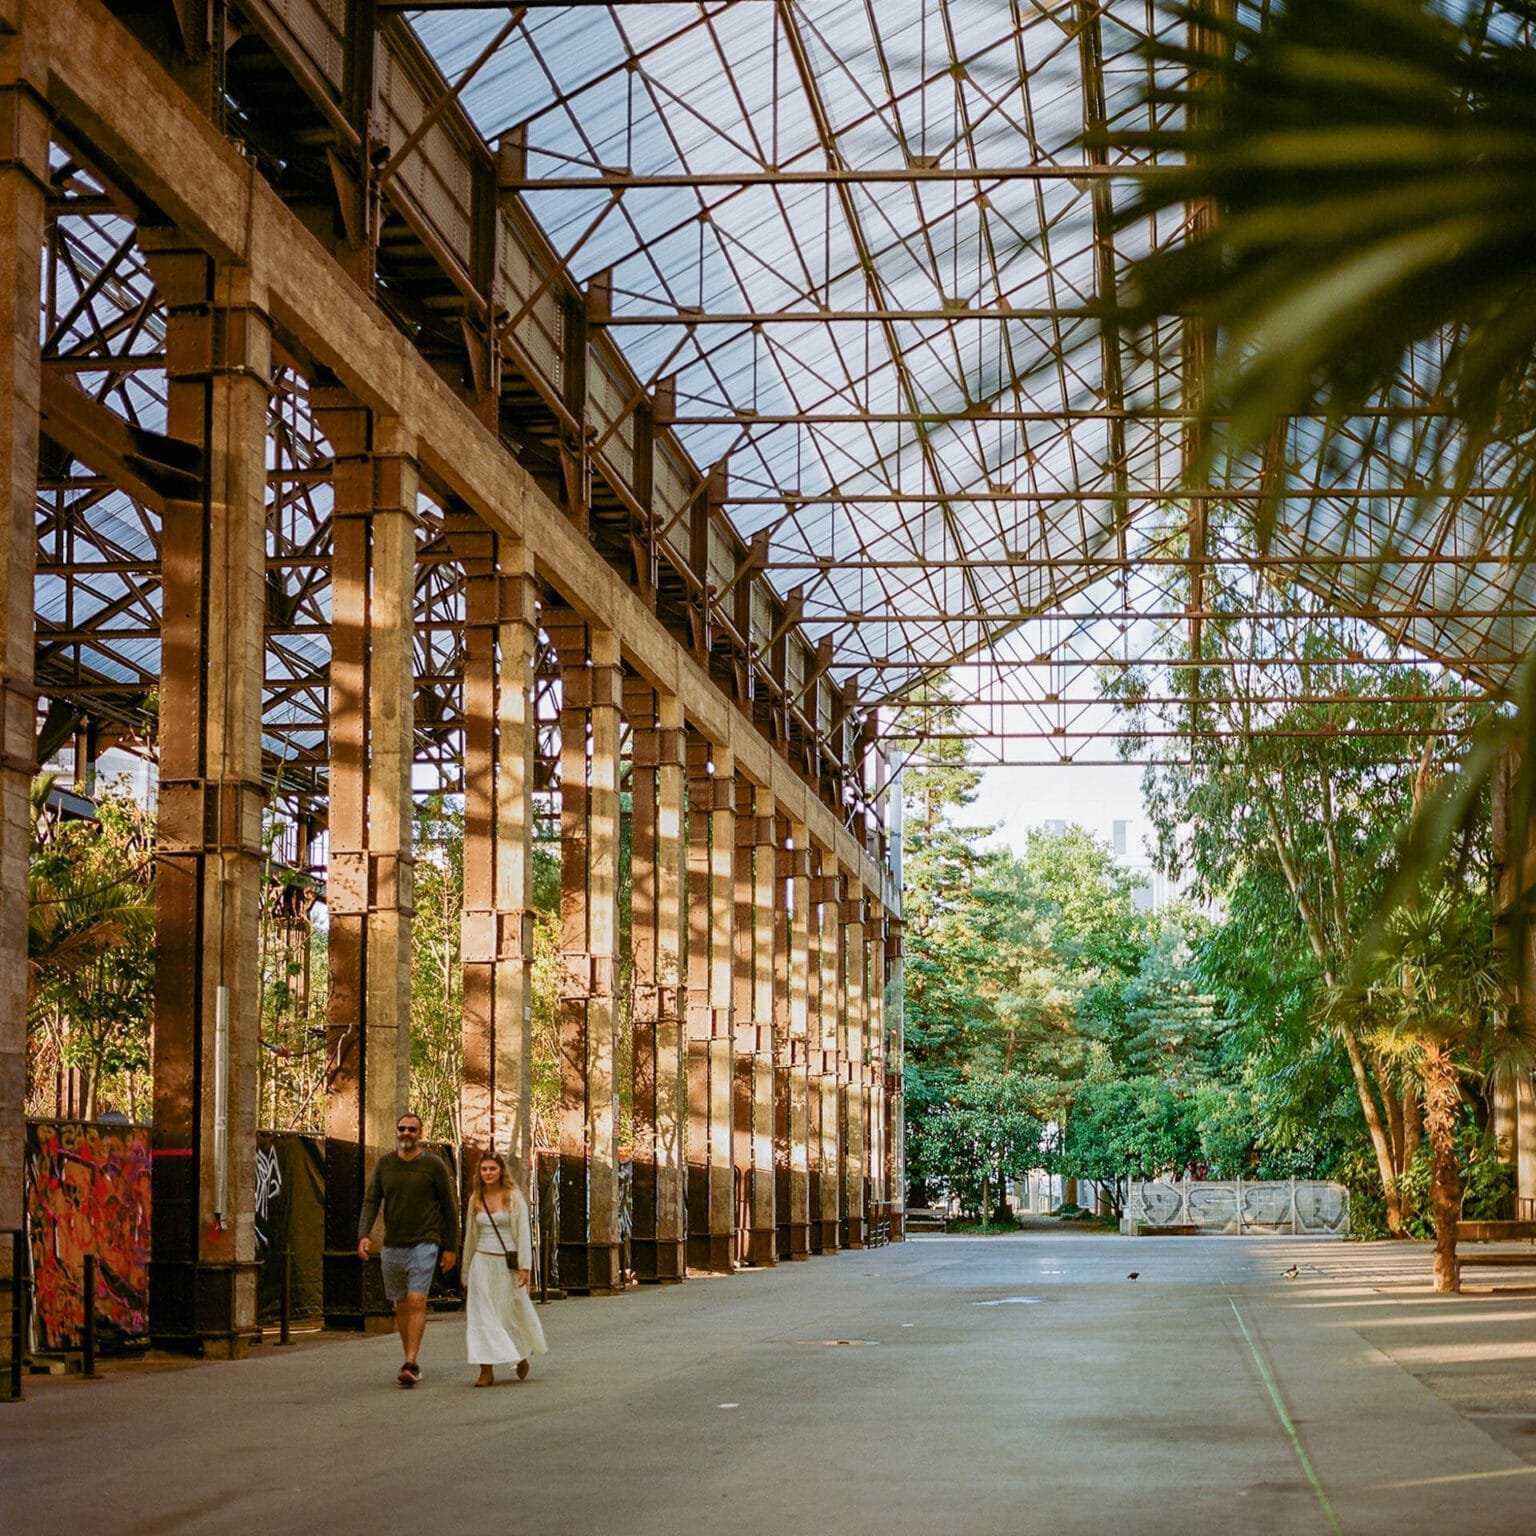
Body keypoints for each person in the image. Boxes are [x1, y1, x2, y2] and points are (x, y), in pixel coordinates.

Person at [357, 1112, 458, 1388]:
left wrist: (451, 1247)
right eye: (401, 1128)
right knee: (401, 1303)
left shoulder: (433, 1165)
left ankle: (411, 1361)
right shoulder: (385, 1164)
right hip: (393, 1245)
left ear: (420, 1133)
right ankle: (408, 1357)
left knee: (416, 1301)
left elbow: (449, 1208)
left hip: (425, 1242)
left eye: (412, 1129)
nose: (406, 1133)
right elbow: (371, 1200)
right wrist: (363, 1235)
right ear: (396, 1132)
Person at [462, 1151, 547, 1387]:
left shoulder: (513, 1197)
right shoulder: (475, 1199)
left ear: (501, 1171)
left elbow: (522, 1233)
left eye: (492, 1169)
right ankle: (485, 1369)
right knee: (481, 1316)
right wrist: (466, 1270)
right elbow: (470, 1236)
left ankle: (520, 1355)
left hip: (506, 1263)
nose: (488, 1173)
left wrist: (525, 1266)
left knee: (509, 1314)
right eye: (484, 1169)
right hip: (482, 1262)